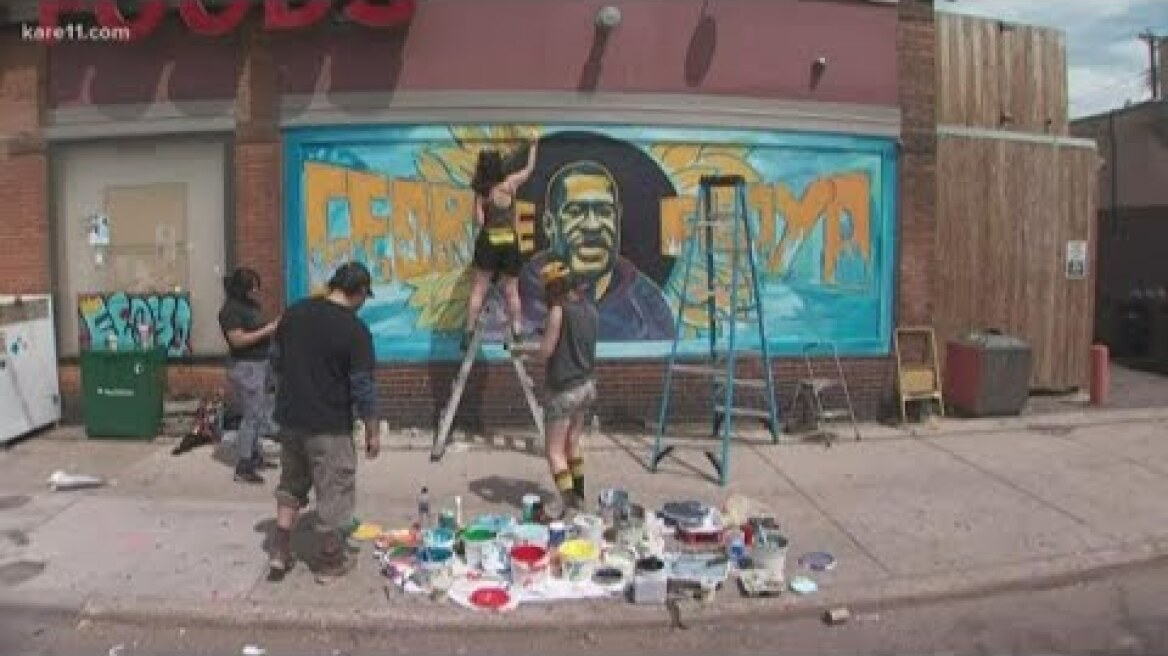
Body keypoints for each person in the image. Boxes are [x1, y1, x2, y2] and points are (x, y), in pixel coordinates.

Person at [267, 261, 382, 582]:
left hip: (290, 419)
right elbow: (363, 386)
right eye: (364, 297)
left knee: (291, 485)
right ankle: (331, 560)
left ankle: (279, 551)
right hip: (328, 424)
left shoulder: (295, 313)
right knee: (334, 490)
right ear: (358, 292)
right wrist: (372, 430)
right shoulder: (354, 330)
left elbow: (276, 361)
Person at [519, 161, 675, 341]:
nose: (592, 226)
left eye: (604, 211)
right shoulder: (516, 298)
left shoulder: (648, 306)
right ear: (549, 224)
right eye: (575, 211)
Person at [531, 258, 599, 517]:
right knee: (573, 442)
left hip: (564, 390)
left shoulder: (558, 311)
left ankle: (570, 507)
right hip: (587, 385)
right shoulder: (589, 308)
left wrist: (535, 351)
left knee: (554, 452)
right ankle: (580, 497)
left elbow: (546, 351)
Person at [463, 137, 540, 352]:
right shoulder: (510, 184)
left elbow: (478, 221)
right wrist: (533, 146)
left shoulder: (483, 192)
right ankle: (516, 329)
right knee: (511, 290)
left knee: (479, 289)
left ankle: (469, 332)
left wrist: (480, 204)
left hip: (489, 241)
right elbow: (529, 169)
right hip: (509, 241)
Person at [217, 267, 280, 484]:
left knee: (260, 413)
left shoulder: (251, 306)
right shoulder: (230, 311)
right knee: (251, 415)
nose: (256, 289)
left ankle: (253, 455)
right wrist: (268, 330)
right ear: (242, 287)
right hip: (245, 366)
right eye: (252, 286)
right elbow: (237, 340)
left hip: (261, 363)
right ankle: (243, 466)